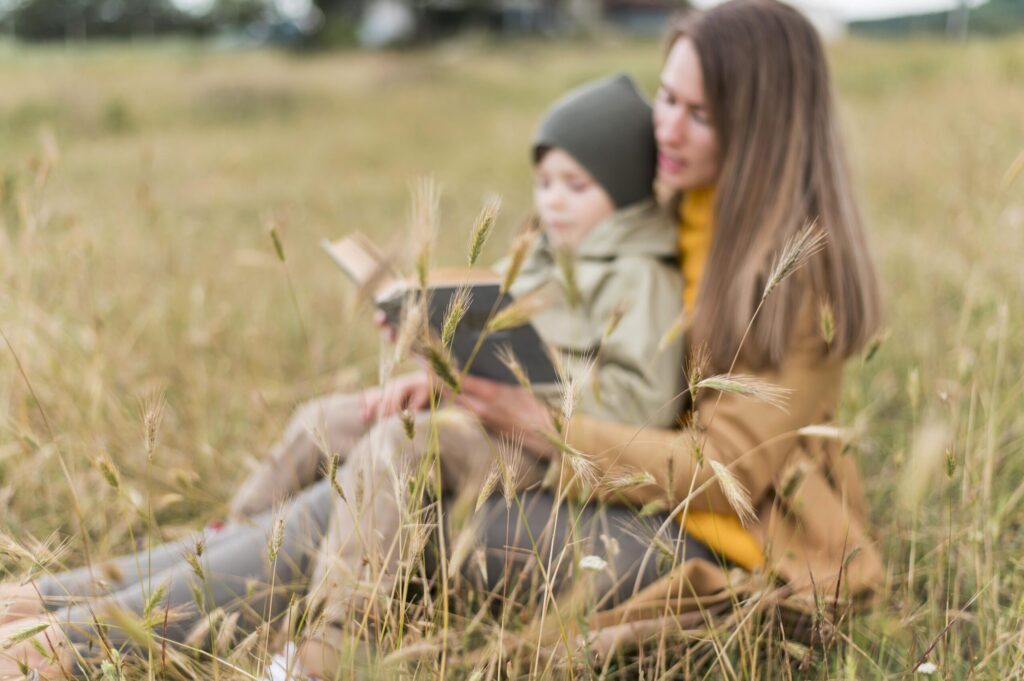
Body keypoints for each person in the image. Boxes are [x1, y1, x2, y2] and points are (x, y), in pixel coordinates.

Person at [0, 74, 694, 679]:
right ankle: (236, 541)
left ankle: (334, 646)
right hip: (495, 418)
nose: (553, 202)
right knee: (327, 419)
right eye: (544, 183)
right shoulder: (545, 257)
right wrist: (440, 356)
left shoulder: (641, 276)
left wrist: (521, 398)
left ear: (627, 192)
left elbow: (643, 401)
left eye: (576, 185)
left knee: (399, 443)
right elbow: (513, 343)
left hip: (555, 452)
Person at [458, 0, 886, 655]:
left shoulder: (798, 277)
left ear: (763, 130)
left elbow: (722, 474)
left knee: (428, 512)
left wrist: (546, 427)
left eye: (700, 114)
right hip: (628, 499)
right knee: (387, 456)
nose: (666, 129)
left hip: (725, 543)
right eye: (665, 98)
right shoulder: (656, 204)